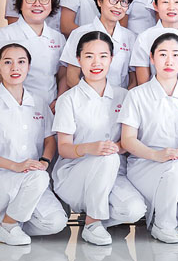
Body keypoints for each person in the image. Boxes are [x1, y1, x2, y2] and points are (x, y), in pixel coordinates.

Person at [0, 41, 68, 245]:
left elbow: (49, 140)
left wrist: (44, 162)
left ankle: (11, 222)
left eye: (21, 62)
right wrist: (16, 166)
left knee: (56, 222)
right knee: (38, 178)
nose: (15, 68)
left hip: (32, 178)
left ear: (28, 66)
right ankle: (9, 225)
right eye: (7, 62)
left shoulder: (38, 102)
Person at [119, 33, 178, 244]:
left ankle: (159, 208)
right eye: (163, 54)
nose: (169, 61)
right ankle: (164, 224)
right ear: (152, 58)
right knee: (177, 168)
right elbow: (127, 140)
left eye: (175, 55)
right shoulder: (137, 95)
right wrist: (156, 155)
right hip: (145, 164)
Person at [52, 31, 146, 246]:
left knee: (134, 210)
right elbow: (64, 148)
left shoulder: (124, 96)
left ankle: (97, 217)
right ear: (78, 60)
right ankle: (93, 223)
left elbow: (131, 139)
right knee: (107, 158)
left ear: (111, 59)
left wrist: (115, 148)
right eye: (89, 56)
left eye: (103, 56)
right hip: (74, 173)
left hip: (114, 171)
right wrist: (90, 148)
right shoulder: (68, 99)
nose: (96, 63)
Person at [0, 0, 66, 112]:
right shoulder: (5, 35)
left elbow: (63, 74)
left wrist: (60, 100)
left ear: (51, 5)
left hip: (50, 109)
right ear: (20, 4)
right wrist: (15, 103)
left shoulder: (58, 38)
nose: (37, 4)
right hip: (17, 109)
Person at [61, 0, 137, 89]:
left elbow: (133, 78)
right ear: (99, 1)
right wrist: (93, 96)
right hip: (87, 96)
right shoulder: (79, 33)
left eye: (124, 2)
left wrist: (123, 97)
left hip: (120, 98)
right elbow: (71, 77)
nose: (118, 6)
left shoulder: (130, 37)